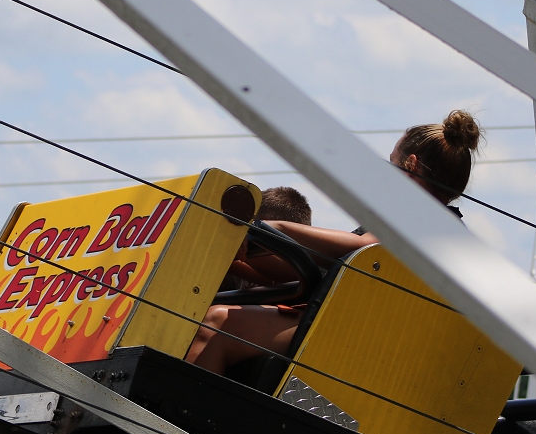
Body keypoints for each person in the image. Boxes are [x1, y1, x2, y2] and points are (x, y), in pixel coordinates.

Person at [186, 110, 481, 374]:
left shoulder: (431, 223)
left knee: (216, 324)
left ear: (411, 165)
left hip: (366, 339)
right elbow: (303, 270)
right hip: (354, 327)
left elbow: (362, 247)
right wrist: (238, 257)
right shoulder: (407, 223)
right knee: (208, 311)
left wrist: (274, 226)